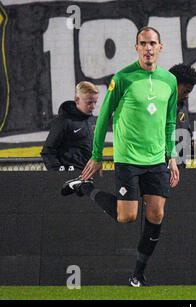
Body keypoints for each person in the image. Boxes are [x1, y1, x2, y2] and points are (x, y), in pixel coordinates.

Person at [60, 27, 179, 287]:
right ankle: (86, 187)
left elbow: (170, 121)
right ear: (136, 47)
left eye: (153, 43)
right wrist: (97, 154)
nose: (148, 48)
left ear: (161, 47)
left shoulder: (169, 81)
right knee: (127, 217)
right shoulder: (122, 78)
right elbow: (104, 117)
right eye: (143, 43)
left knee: (156, 214)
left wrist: (171, 155)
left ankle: (138, 274)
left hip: (157, 159)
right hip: (128, 158)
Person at [41, 81, 98, 171]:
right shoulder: (63, 121)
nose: (93, 106)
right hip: (69, 177)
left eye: (95, 102)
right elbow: (47, 151)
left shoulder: (92, 121)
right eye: (89, 103)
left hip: (89, 175)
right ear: (77, 100)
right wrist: (59, 172)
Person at [168, 63, 196, 133]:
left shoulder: (182, 106)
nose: (187, 96)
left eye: (189, 92)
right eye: (185, 92)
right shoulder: (157, 108)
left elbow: (185, 131)